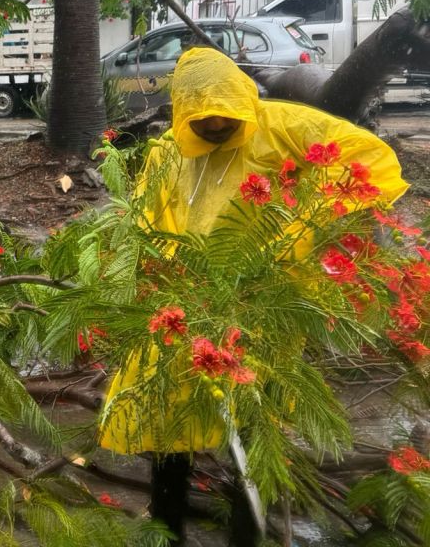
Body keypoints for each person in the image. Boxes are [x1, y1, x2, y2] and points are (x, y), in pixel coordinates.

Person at [98, 47, 408, 545]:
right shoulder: (169, 149)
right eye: (203, 120)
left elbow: (366, 156)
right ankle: (166, 530)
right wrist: (151, 268)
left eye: (224, 115)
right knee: (166, 413)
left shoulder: (281, 125)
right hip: (186, 301)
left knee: (251, 424)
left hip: (259, 300)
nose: (216, 126)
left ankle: (247, 534)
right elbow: (146, 214)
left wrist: (297, 234)